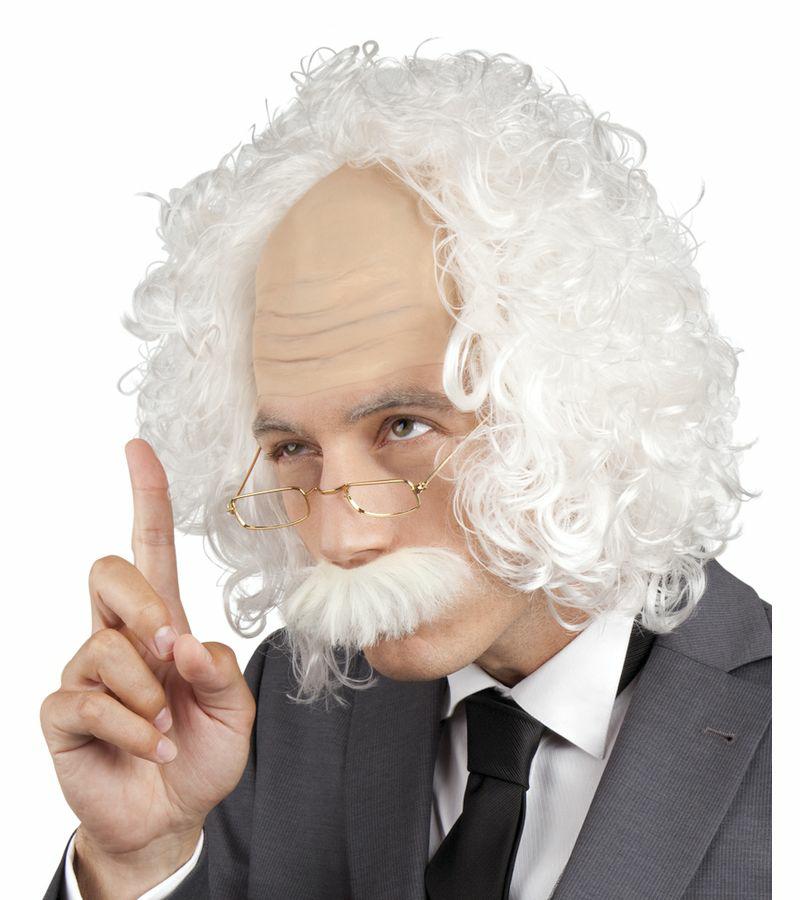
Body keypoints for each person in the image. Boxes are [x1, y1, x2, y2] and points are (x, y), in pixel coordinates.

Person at [40, 42, 771, 900]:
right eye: (293, 449)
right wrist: (138, 862)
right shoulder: (276, 711)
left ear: (580, 399)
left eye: (405, 426)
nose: (339, 536)